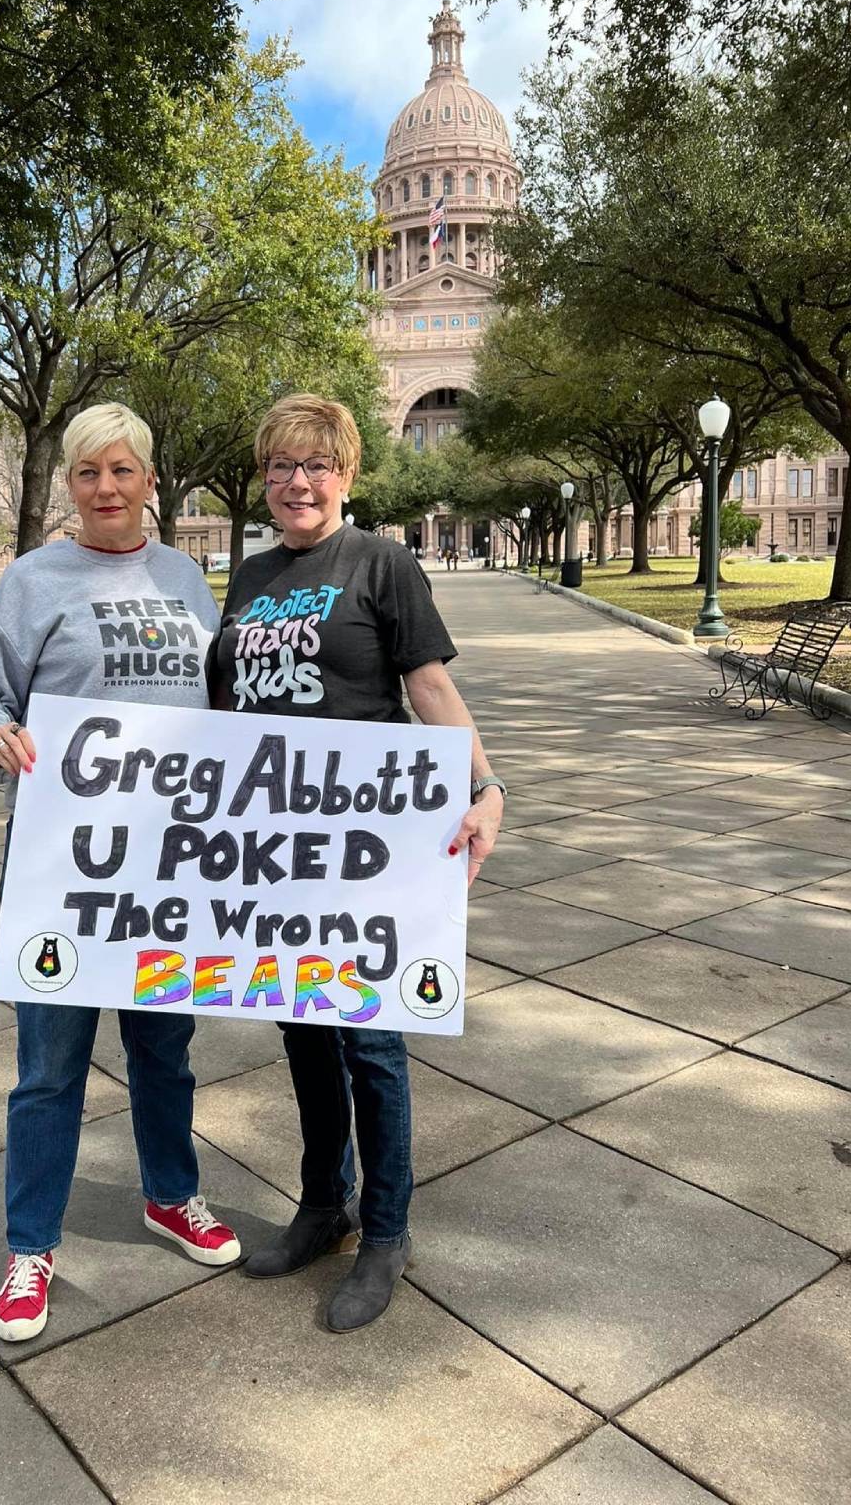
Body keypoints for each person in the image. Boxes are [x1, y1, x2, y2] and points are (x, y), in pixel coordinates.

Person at [210, 394, 504, 1333]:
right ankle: (322, 1203)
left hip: (365, 842)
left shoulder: (382, 560)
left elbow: (427, 685)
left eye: (317, 465)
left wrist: (486, 788)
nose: (298, 482)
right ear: (264, 479)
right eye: (281, 466)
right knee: (299, 1030)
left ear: (346, 475)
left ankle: (386, 1232)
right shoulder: (249, 576)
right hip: (273, 845)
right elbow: (223, 713)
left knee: (368, 1041)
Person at [0, 402, 241, 1345]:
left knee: (165, 1050)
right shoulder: (34, 581)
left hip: (168, 870)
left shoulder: (188, 580)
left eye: (122, 471)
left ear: (151, 479)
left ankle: (171, 1195)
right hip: (60, 869)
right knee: (50, 1068)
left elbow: (223, 714)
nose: (106, 489)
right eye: (87, 474)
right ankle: (31, 1243)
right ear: (70, 486)